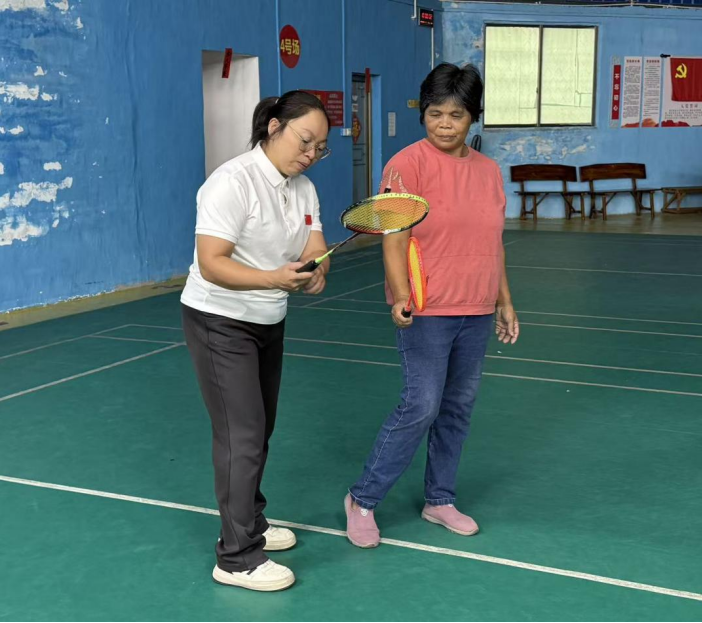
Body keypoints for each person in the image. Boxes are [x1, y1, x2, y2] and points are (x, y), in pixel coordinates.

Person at [345, 63, 520, 548]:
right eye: (435, 112)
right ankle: (362, 499)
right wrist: (400, 294)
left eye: (457, 114)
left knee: (458, 408)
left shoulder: (488, 172)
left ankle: (439, 499)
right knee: (420, 404)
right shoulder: (407, 164)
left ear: (473, 118)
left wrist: (504, 299)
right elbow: (393, 238)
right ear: (424, 113)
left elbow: (495, 241)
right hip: (427, 307)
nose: (445, 123)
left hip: (477, 305)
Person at [181, 91, 331, 590]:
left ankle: (252, 523)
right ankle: (236, 557)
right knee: (240, 434)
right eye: (304, 141)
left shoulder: (303, 189)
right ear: (272, 126)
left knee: (259, 429)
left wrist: (316, 271)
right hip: (218, 319)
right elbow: (212, 262)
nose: (309, 154)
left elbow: (314, 246)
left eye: (319, 148)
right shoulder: (231, 182)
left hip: (269, 318)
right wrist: (272, 278)